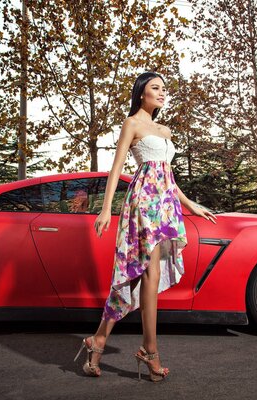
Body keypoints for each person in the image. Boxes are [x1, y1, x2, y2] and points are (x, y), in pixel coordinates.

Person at [74, 71, 217, 382]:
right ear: (141, 93)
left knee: (140, 276)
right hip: (143, 204)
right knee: (147, 273)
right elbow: (115, 169)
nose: (162, 93)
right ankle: (149, 350)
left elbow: (167, 177)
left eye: (164, 89)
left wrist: (190, 204)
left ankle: (97, 341)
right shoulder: (133, 124)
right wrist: (104, 210)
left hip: (165, 207)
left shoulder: (163, 129)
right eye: (156, 88)